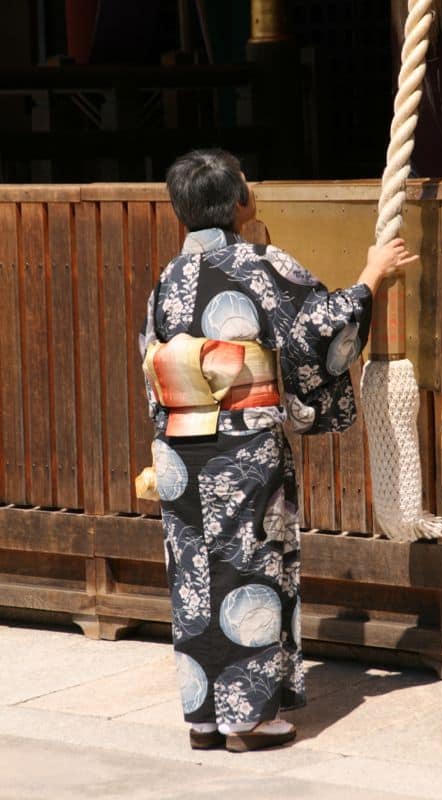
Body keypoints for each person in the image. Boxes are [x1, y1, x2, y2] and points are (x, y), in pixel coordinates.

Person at [139, 149, 417, 753]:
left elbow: (153, 366)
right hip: (242, 446)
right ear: (240, 201)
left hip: (181, 447)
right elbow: (319, 329)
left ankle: (206, 716)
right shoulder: (260, 264)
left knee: (193, 575)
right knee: (250, 566)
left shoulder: (168, 277)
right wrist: (371, 276)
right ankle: (249, 719)